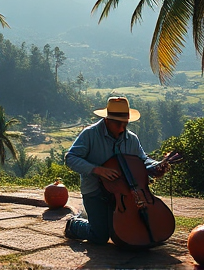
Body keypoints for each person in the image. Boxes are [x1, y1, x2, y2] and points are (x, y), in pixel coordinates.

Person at [64, 96, 170, 245]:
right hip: (95, 192)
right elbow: (70, 158)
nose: (122, 129)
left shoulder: (131, 138)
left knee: (124, 234)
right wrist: (96, 170)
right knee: (100, 236)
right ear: (107, 120)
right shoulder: (90, 134)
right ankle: (74, 224)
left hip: (124, 192)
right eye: (118, 124)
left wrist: (156, 167)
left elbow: (142, 160)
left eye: (125, 124)